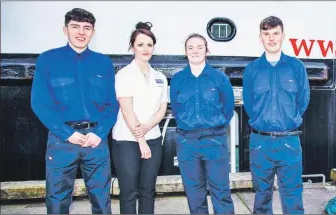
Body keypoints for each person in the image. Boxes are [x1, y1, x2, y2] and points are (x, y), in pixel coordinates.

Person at [30, 8, 118, 214]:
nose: (81, 32)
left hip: (96, 141)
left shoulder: (103, 63)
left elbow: (112, 105)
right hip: (62, 142)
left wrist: (99, 133)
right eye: (75, 26)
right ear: (65, 29)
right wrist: (68, 134)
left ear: (93, 32)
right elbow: (40, 104)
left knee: (102, 199)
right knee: (57, 200)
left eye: (87, 28)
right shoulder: (47, 60)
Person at [242, 16, 310, 214]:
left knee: (292, 194)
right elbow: (249, 104)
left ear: (283, 36)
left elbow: (303, 101)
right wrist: (262, 123)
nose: (271, 38)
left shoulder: (296, 67)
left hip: (289, 142)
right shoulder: (252, 70)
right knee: (261, 194)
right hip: (260, 142)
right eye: (266, 34)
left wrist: (286, 120)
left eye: (275, 33)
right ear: (260, 37)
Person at [169, 33, 236, 214]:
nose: (195, 51)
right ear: (185, 52)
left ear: (207, 50)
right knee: (194, 194)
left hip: (214, 141)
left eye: (199, 47)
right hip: (187, 143)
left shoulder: (219, 78)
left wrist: (216, 125)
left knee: (221, 191)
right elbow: (176, 109)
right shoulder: (178, 80)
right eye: (190, 47)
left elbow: (228, 108)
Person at [111, 21, 167, 214]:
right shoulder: (124, 74)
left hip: (153, 138)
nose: (145, 49)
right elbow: (127, 110)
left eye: (149, 45)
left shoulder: (160, 76)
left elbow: (161, 109)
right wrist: (140, 139)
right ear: (132, 46)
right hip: (127, 141)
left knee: (148, 191)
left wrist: (147, 128)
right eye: (140, 44)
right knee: (128, 192)